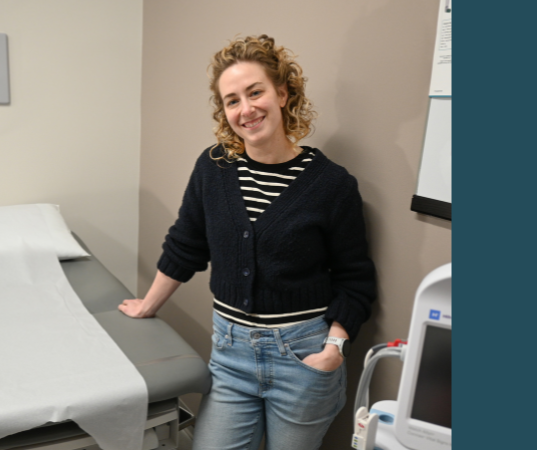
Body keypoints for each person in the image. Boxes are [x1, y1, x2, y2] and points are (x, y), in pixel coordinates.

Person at [118, 35, 377, 450]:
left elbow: (355, 278)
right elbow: (186, 243)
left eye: (255, 92)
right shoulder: (213, 167)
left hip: (302, 357)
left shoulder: (332, 185)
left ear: (283, 92)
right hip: (230, 353)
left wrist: (333, 350)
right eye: (232, 100)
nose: (246, 109)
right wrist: (149, 304)